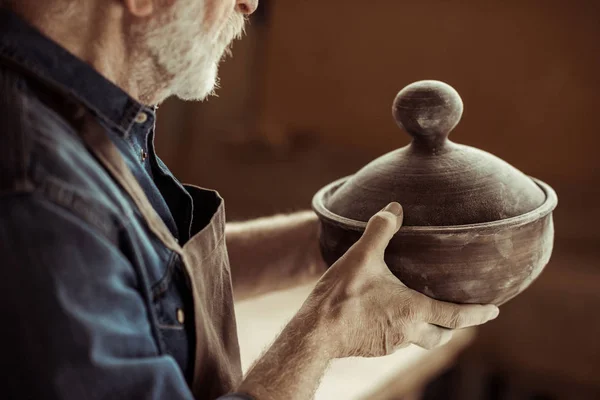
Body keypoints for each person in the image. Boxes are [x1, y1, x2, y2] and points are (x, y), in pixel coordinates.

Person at [0, 1, 499, 399]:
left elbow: (134, 275)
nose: (248, 4)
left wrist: (333, 237)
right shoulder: (36, 192)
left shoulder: (74, 107)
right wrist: (323, 330)